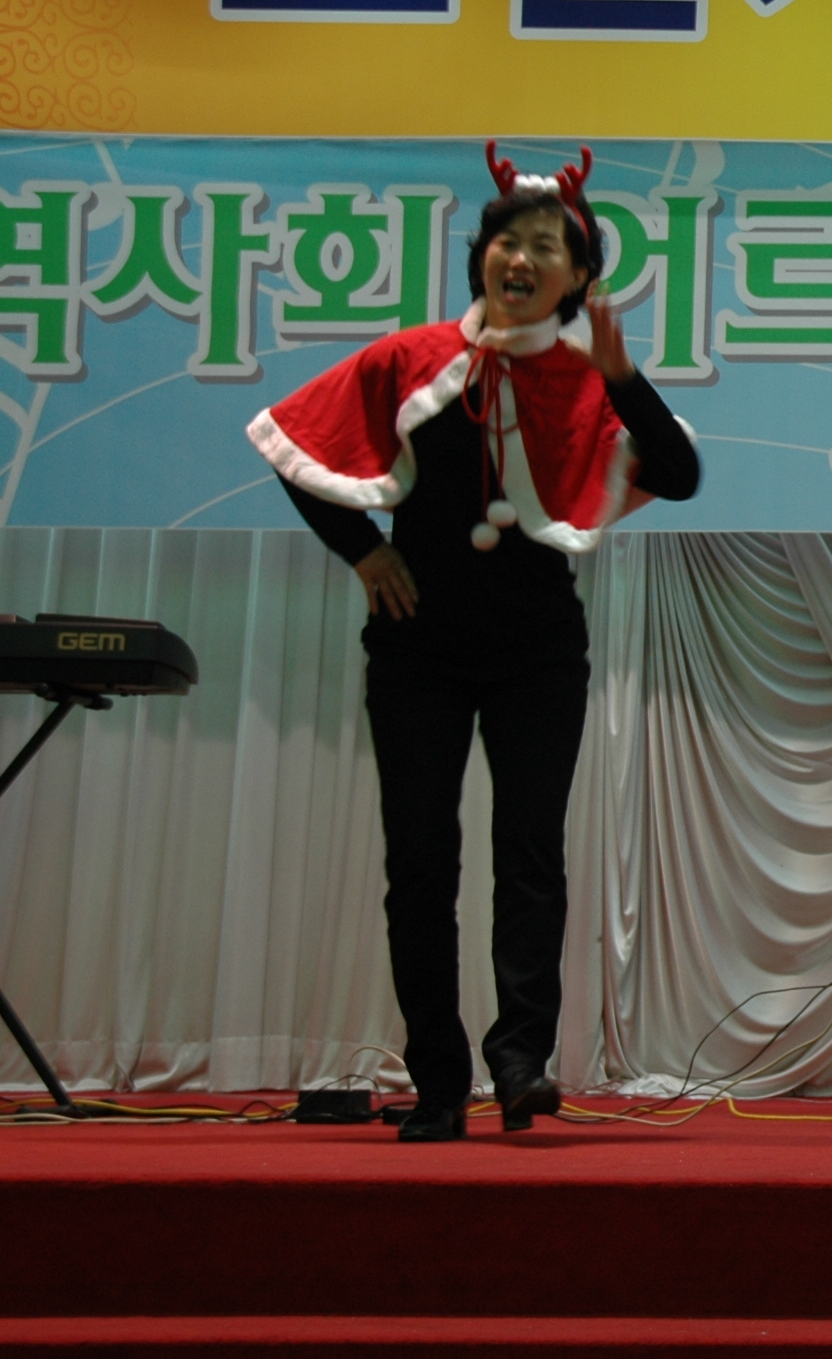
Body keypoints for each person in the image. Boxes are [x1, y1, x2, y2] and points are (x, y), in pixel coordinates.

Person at [250, 145, 700, 1142]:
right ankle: (439, 1080)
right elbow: (292, 443)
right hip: (417, 645)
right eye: (507, 240)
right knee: (420, 862)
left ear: (578, 277)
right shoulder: (410, 358)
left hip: (538, 645)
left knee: (530, 853)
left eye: (546, 246)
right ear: (481, 257)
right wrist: (365, 552)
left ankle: (521, 1061)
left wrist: (623, 376)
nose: (521, 256)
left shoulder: (587, 375)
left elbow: (677, 471)